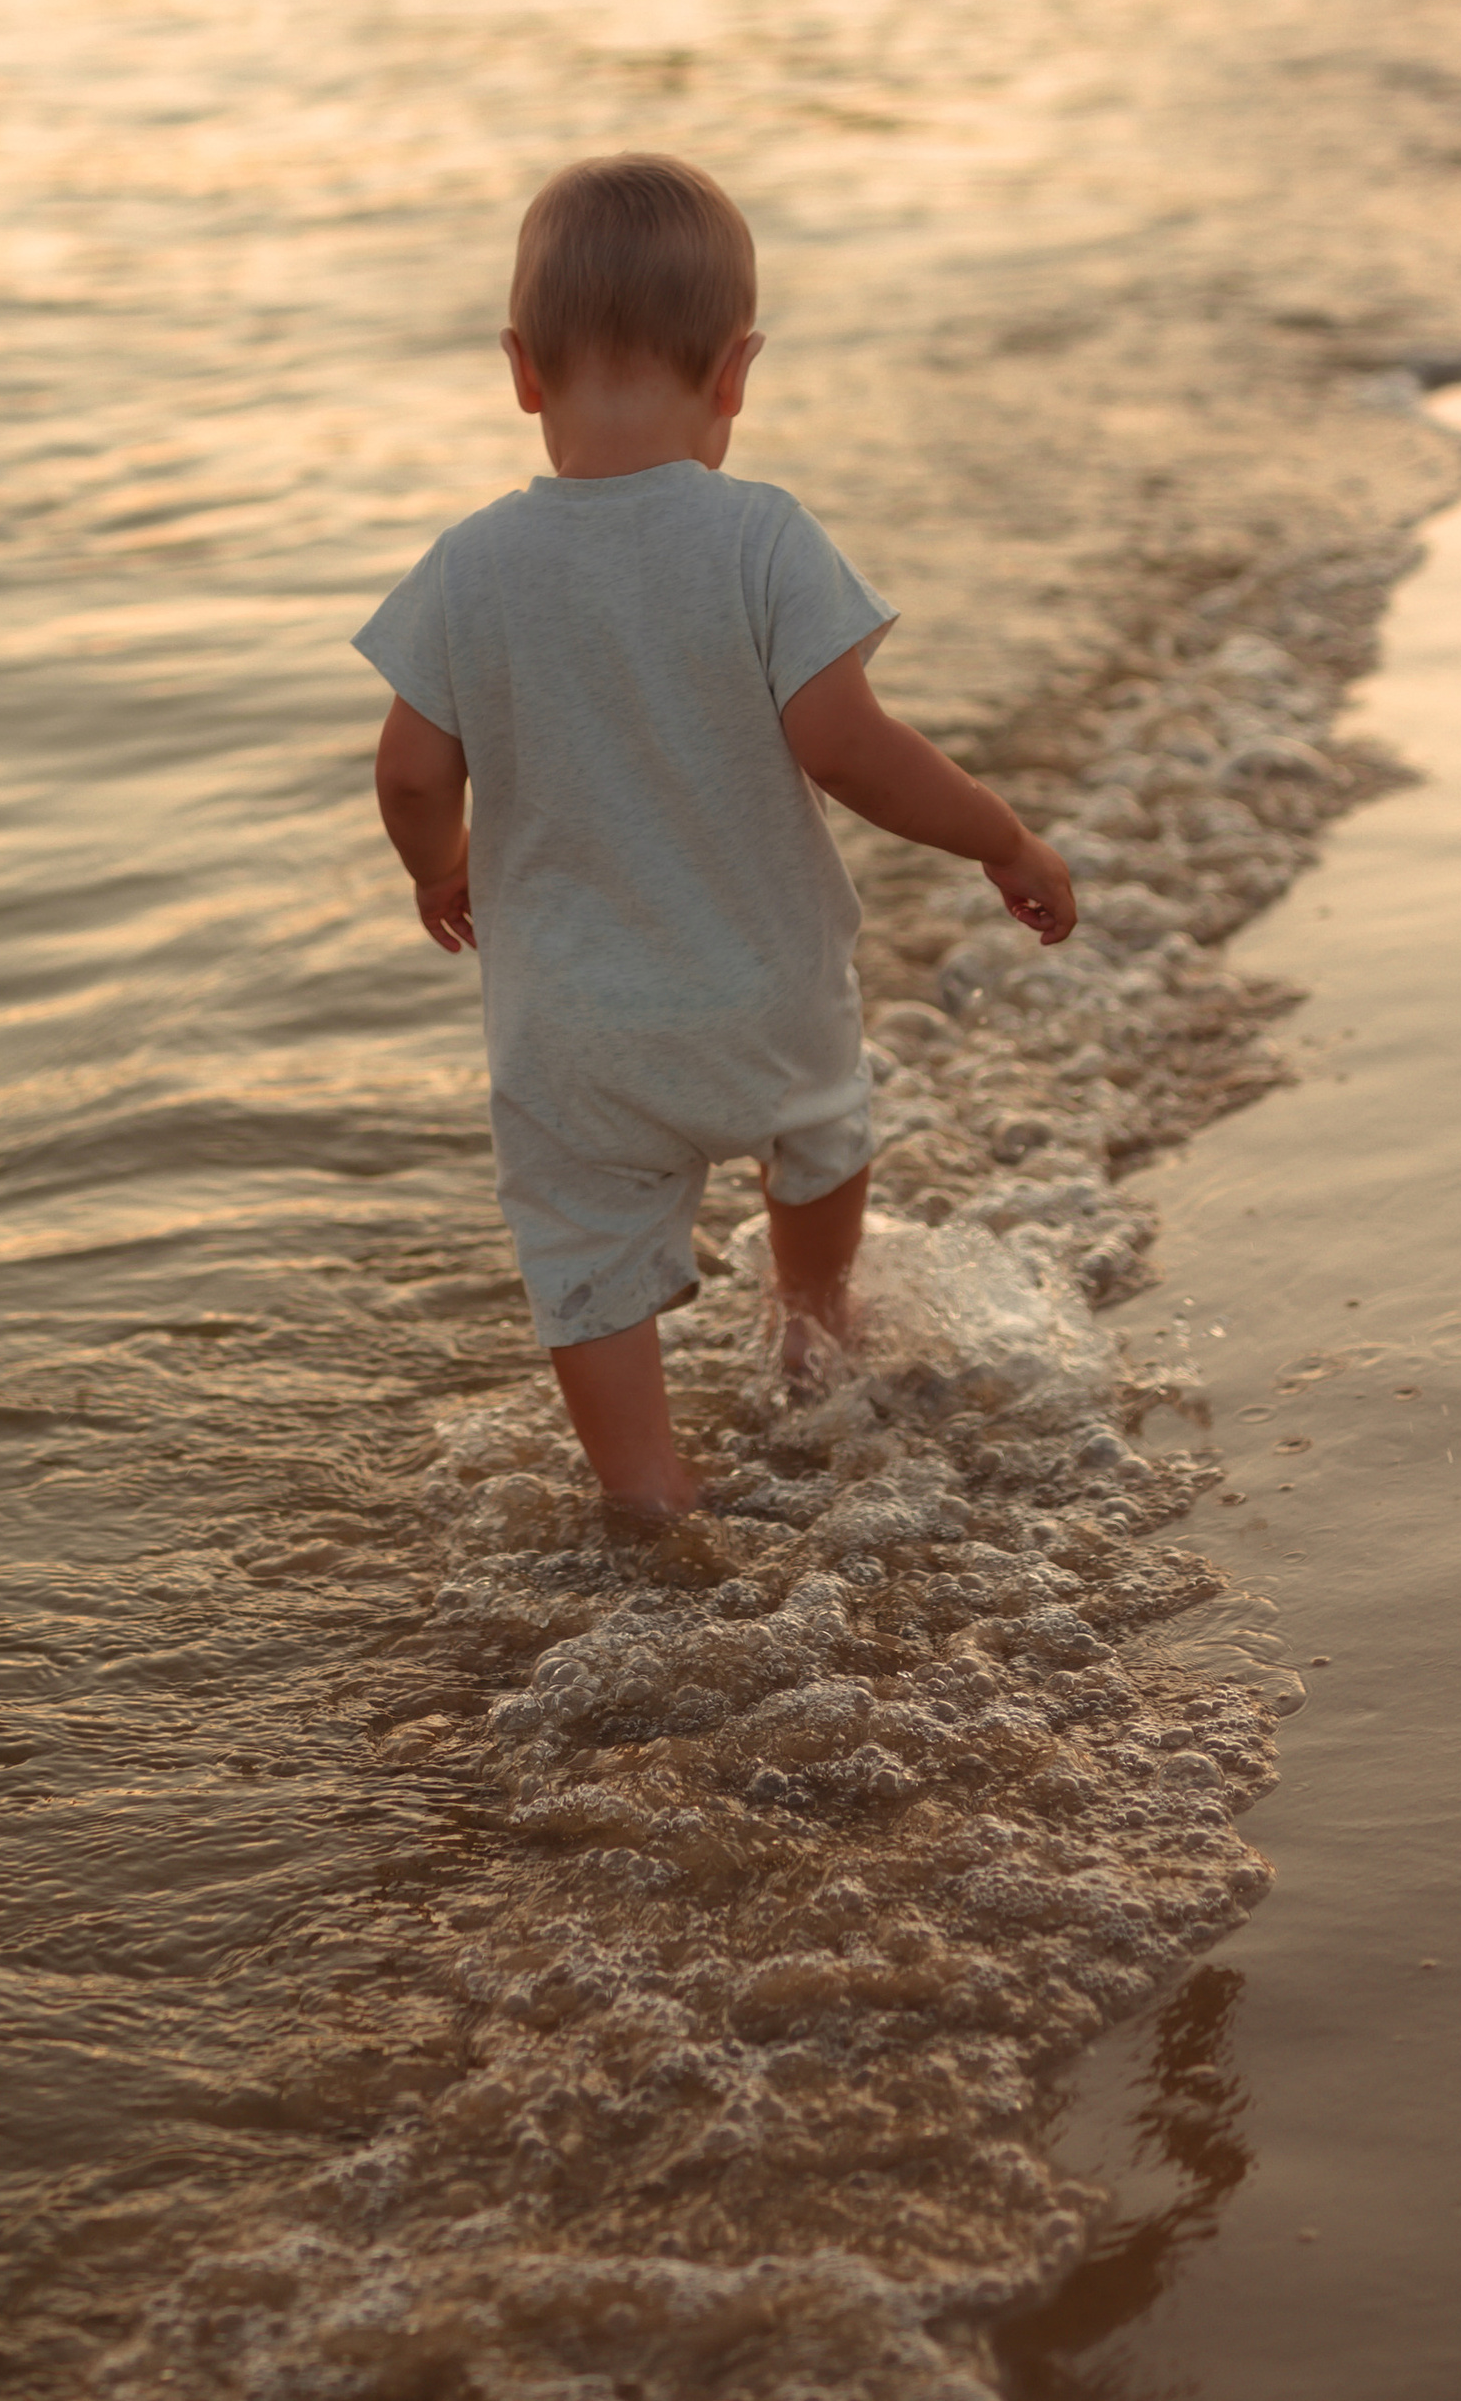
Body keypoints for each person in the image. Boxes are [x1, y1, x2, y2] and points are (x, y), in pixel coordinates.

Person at [353, 154, 1076, 1518]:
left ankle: (645, 1484)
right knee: (819, 1135)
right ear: (736, 370)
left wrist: (440, 869)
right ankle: (809, 1327)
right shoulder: (763, 540)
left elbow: (405, 772)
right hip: (761, 991)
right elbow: (851, 747)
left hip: (573, 1029)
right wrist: (1002, 838)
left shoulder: (469, 565)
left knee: (586, 1249)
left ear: (520, 367)